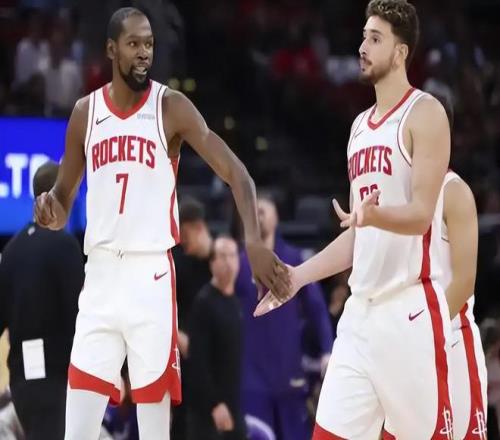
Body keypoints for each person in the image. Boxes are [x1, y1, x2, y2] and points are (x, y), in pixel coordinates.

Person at [34, 7, 291, 440]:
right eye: (134, 43)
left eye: (150, 44)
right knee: (76, 430)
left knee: (155, 429)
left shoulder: (170, 106)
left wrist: (253, 241)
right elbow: (62, 202)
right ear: (111, 49)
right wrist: (48, 209)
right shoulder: (85, 113)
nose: (144, 53)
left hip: (149, 276)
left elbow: (238, 174)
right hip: (100, 277)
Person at [255, 0, 452, 438]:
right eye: (363, 36)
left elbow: (421, 215)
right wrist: (296, 278)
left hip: (409, 312)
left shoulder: (426, 113)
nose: (362, 47)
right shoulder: (359, 127)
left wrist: (375, 216)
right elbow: (355, 233)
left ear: (400, 52)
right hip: (360, 316)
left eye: (375, 39)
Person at [0, 161, 84, 440]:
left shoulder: (11, 250)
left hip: (21, 382)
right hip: (57, 379)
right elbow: (80, 316)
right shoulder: (65, 245)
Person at [238, 196, 333, 440]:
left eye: (263, 211)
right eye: (254, 212)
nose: (258, 216)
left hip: (288, 370)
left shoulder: (294, 258)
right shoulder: (239, 262)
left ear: (276, 217)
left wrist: (326, 349)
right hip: (253, 375)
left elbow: (316, 307)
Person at [188, 235, 246, 440]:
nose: (229, 262)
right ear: (212, 263)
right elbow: (198, 360)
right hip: (209, 412)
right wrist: (214, 404)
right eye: (223, 256)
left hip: (233, 406)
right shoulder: (204, 302)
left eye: (233, 256)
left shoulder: (235, 303)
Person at [172, 197, 213, 440]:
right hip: (187, 362)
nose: (181, 240)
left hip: (215, 363)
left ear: (198, 227)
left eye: (185, 234)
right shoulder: (178, 262)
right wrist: (178, 336)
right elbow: (164, 307)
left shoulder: (223, 259)